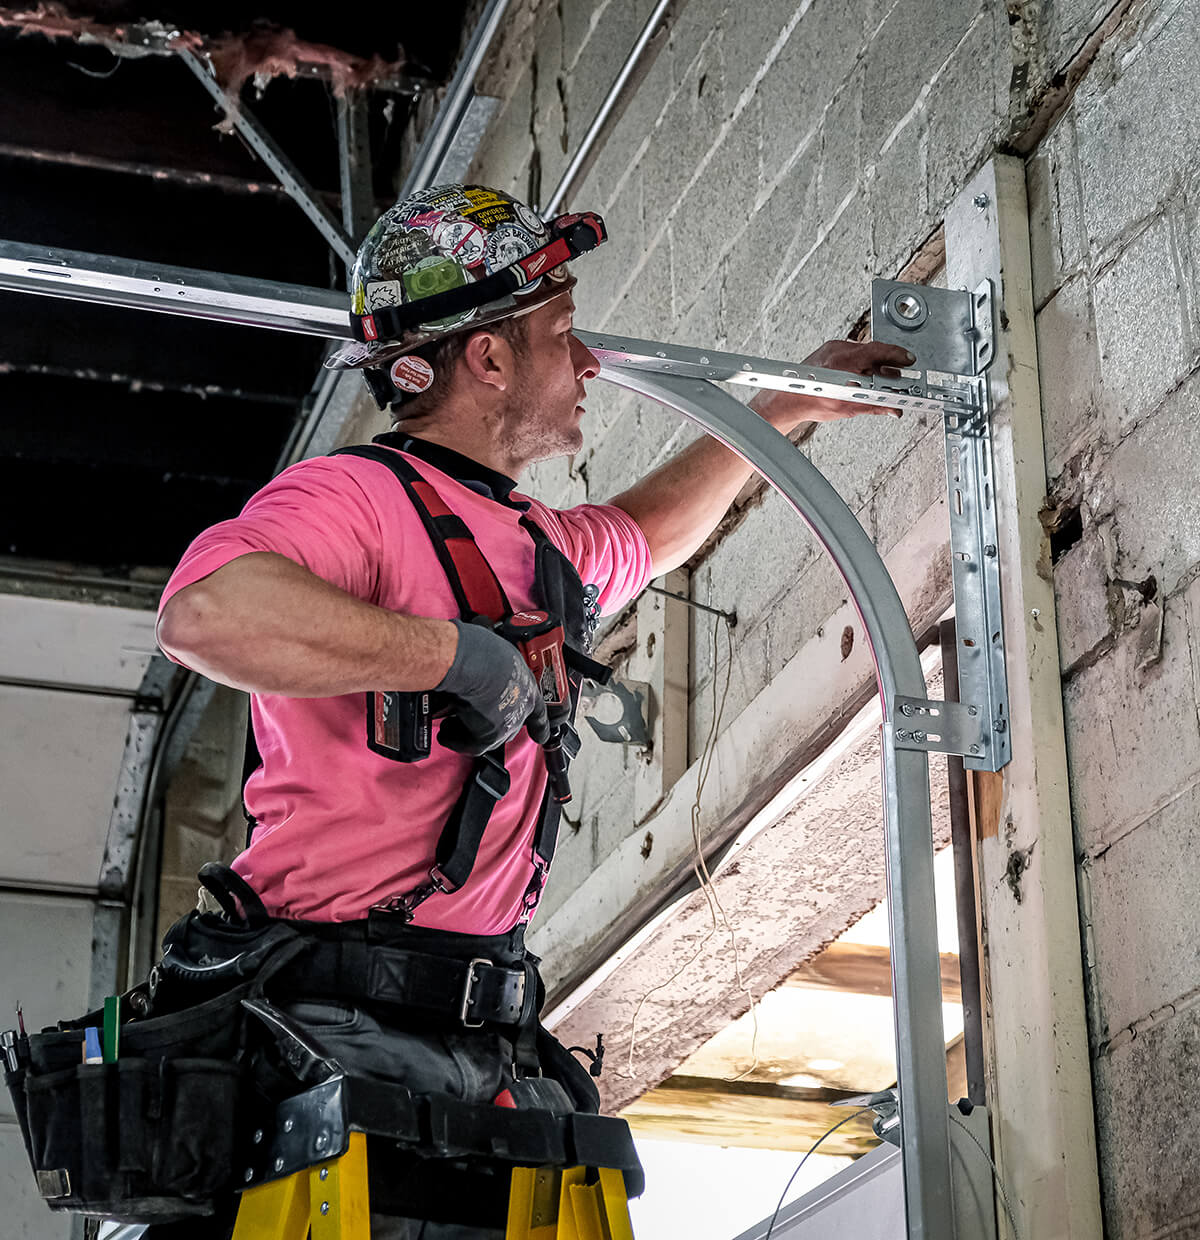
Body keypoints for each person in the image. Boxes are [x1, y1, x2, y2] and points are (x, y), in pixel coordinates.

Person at [155, 183, 911, 1237]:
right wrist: (448, 657)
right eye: (563, 334)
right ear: (491, 360)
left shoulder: (539, 548)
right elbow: (206, 611)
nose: (590, 361)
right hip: (331, 1029)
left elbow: (649, 530)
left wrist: (780, 409)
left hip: (483, 1036)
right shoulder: (354, 500)